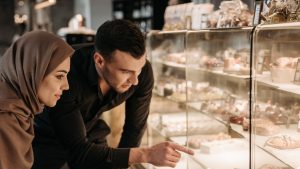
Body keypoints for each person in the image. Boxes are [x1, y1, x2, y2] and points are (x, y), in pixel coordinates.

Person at [32, 19, 194, 169]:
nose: (135, 81)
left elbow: (134, 128)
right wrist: (147, 154)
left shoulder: (141, 73)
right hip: (49, 137)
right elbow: (78, 152)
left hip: (92, 133)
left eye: (138, 69)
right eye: (125, 71)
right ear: (99, 61)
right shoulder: (67, 74)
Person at [0, 31, 74, 169]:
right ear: (32, 71)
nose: (66, 86)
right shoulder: (5, 119)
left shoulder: (21, 114)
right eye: (59, 76)